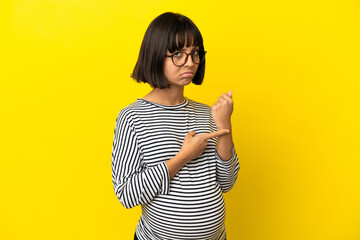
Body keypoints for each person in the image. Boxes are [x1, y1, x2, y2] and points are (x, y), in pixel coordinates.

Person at [111, 12, 240, 240]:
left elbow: (227, 182)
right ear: (155, 55)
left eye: (195, 53)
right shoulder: (132, 118)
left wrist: (224, 125)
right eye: (178, 54)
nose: (190, 62)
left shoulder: (206, 113)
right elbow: (126, 193)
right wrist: (183, 157)